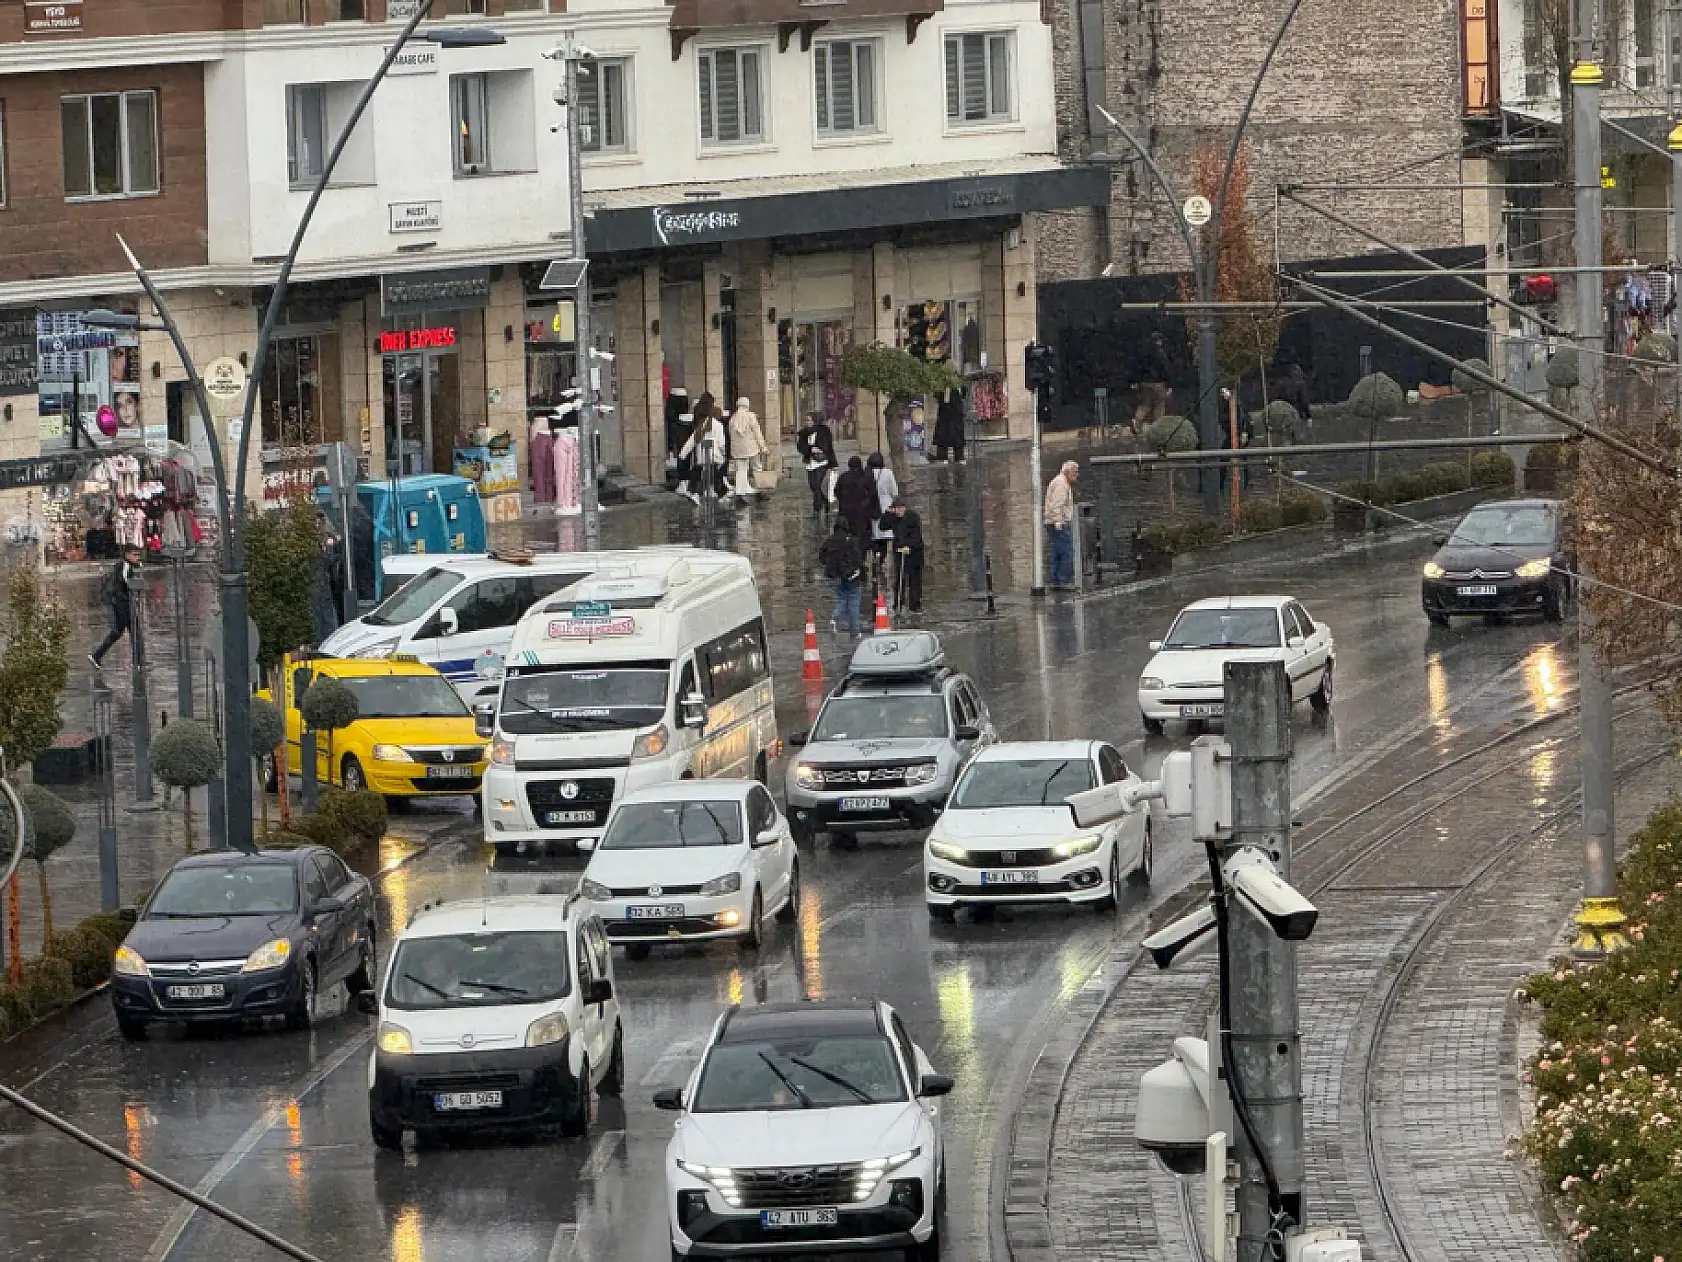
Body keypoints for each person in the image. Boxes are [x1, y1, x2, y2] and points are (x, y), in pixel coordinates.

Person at [90, 543, 143, 668]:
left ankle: (97, 656)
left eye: (138, 555)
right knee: (134, 632)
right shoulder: (125, 567)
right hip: (123, 605)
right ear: (127, 555)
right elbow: (128, 583)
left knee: (119, 632)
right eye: (135, 555)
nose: (137, 557)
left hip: (122, 604)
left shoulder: (126, 566)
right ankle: (138, 662)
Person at [818, 518, 864, 638]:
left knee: (841, 599)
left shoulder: (829, 541)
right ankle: (854, 631)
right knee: (853, 602)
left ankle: (835, 618)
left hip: (834, 576)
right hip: (851, 576)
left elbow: (821, 558)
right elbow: (858, 559)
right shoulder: (850, 541)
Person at [1043, 460, 1079, 588]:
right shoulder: (1061, 484)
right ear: (1067, 472)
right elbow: (1056, 504)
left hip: (1053, 522)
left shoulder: (1060, 482)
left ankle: (1056, 580)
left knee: (1057, 552)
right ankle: (1064, 580)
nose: (1077, 475)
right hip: (1058, 523)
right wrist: (1058, 521)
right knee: (1066, 551)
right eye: (1075, 472)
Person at [725, 396, 768, 503]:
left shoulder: (733, 418)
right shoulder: (751, 416)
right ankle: (759, 491)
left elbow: (730, 434)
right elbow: (757, 433)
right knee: (757, 468)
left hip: (738, 451)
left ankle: (740, 494)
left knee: (741, 471)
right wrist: (763, 447)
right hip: (752, 448)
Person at [885, 498, 925, 613]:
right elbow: (883, 526)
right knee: (899, 579)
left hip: (914, 553)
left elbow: (916, 536)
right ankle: (898, 602)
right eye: (895, 509)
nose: (897, 512)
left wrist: (907, 545)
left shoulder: (912, 517)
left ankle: (915, 604)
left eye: (899, 509)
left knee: (914, 580)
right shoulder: (893, 518)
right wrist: (887, 513)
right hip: (899, 553)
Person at [796, 413, 838, 515]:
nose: (807, 422)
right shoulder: (803, 433)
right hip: (810, 462)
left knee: (818, 485)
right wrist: (811, 449)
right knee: (813, 485)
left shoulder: (824, 431)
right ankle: (825, 502)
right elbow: (801, 447)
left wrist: (833, 464)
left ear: (815, 421)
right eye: (806, 420)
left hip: (821, 462)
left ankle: (817, 507)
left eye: (809, 420)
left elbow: (828, 448)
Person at [867, 453, 898, 583]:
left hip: (871, 508)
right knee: (884, 537)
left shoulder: (867, 473)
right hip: (886, 507)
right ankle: (881, 559)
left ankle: (876, 557)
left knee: (875, 536)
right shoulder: (888, 473)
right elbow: (894, 492)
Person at [1133, 331, 1172, 433]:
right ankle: (1157, 429)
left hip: (1144, 383)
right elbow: (1166, 369)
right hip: (1158, 383)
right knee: (1159, 405)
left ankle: (1137, 422)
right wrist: (1169, 384)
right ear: (1159, 341)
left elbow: (1138, 367)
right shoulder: (1161, 353)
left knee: (1145, 404)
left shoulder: (1144, 353)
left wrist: (1136, 381)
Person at [833, 455, 877, 543]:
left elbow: (837, 491)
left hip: (846, 510)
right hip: (862, 510)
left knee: (848, 532)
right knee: (861, 534)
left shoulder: (843, 477)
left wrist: (842, 501)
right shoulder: (866, 477)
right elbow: (872, 493)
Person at [1218, 388, 1253, 491]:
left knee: (1241, 459)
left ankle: (1245, 483)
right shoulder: (1226, 407)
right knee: (1224, 458)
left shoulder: (1238, 406)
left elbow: (1244, 418)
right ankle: (1222, 484)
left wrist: (1244, 432)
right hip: (1231, 436)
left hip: (1239, 436)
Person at [932, 389, 966, 463]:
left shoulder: (958, 386)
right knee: (943, 434)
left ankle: (959, 457)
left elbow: (963, 392)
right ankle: (942, 457)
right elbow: (936, 394)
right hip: (945, 411)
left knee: (957, 435)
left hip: (956, 410)